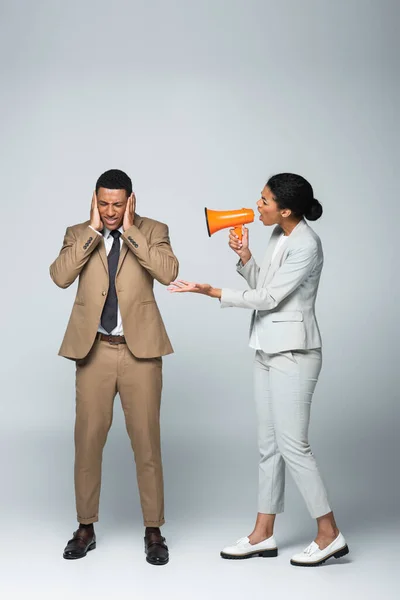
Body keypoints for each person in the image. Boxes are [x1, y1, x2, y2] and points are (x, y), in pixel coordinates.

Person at [168, 173, 349, 567]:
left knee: (293, 446)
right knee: (269, 447)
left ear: (285, 209)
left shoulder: (306, 244)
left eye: (264, 201)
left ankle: (329, 533)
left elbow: (267, 298)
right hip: (267, 348)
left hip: (295, 354)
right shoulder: (279, 235)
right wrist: (247, 258)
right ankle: (262, 534)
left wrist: (212, 291)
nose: (257, 205)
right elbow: (268, 286)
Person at [50, 169, 178, 565]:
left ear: (131, 201)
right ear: (94, 200)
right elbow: (59, 276)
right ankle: (85, 527)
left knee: (147, 444)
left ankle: (153, 530)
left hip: (140, 353)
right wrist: (93, 228)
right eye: (103, 204)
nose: (109, 211)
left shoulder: (153, 229)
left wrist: (129, 230)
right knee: (87, 443)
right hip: (94, 352)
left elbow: (168, 272)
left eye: (117, 205)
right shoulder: (79, 233)